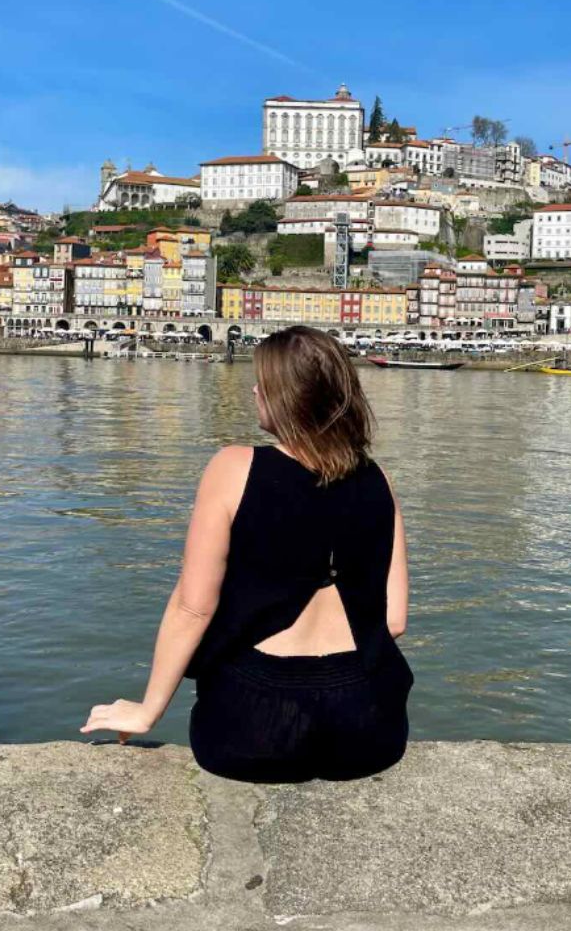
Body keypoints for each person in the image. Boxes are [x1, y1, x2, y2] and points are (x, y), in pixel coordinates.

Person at [79, 324, 414, 783]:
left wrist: (146, 712)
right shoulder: (379, 480)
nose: (255, 388)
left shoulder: (234, 467)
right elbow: (393, 620)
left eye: (264, 381)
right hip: (368, 729)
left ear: (286, 397)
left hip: (253, 727)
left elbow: (192, 607)